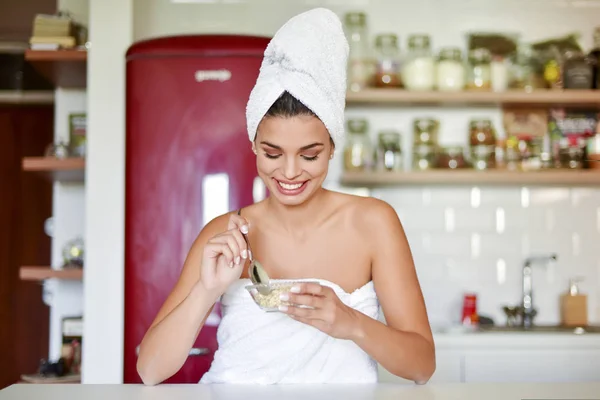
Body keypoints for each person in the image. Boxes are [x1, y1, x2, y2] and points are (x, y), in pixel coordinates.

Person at [136, 8, 435, 386]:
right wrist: (207, 289)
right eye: (273, 154)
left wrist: (351, 323)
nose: (290, 172)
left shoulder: (373, 223)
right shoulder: (227, 233)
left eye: (309, 154)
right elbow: (150, 371)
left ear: (331, 148)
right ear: (254, 147)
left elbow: (422, 365)